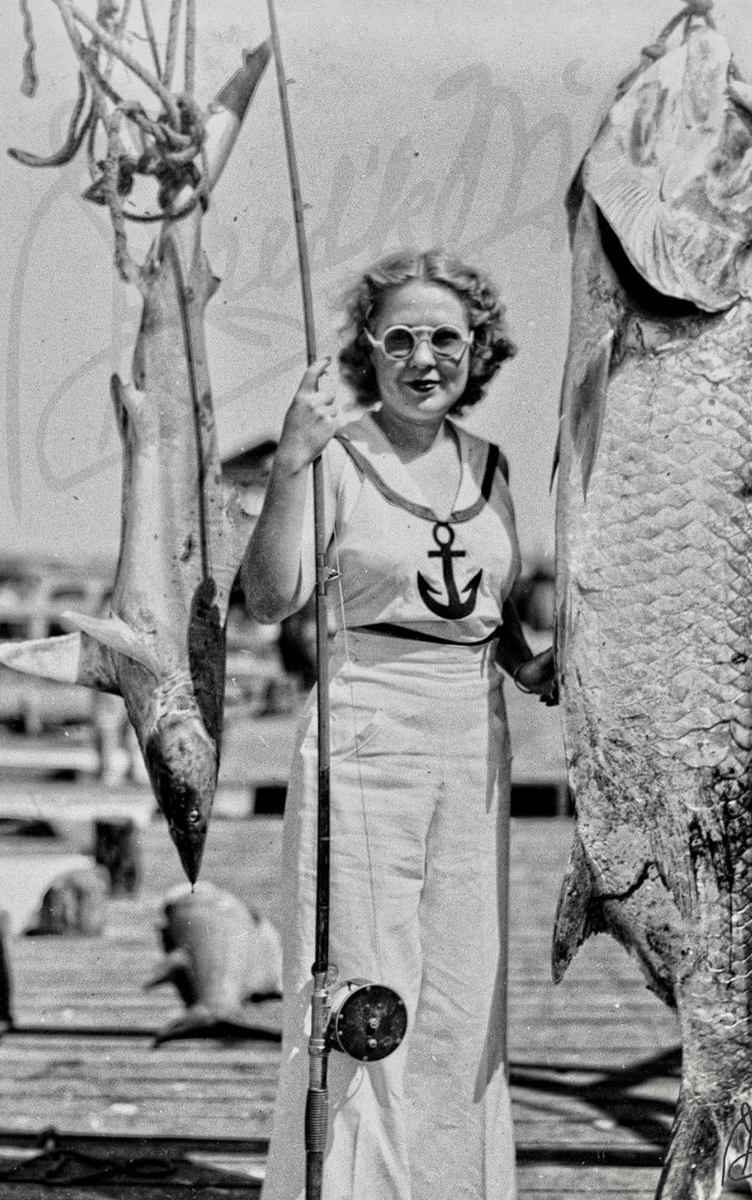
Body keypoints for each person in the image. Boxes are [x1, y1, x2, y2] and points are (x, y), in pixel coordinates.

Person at [242, 248, 555, 1200]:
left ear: (479, 349)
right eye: (401, 339)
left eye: (446, 339)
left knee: (461, 999)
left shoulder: (492, 465)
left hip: (473, 743)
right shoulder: (335, 456)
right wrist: (290, 461)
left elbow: (486, 607)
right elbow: (271, 598)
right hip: (365, 733)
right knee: (361, 995)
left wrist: (528, 662)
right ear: (369, 351)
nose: (426, 359)